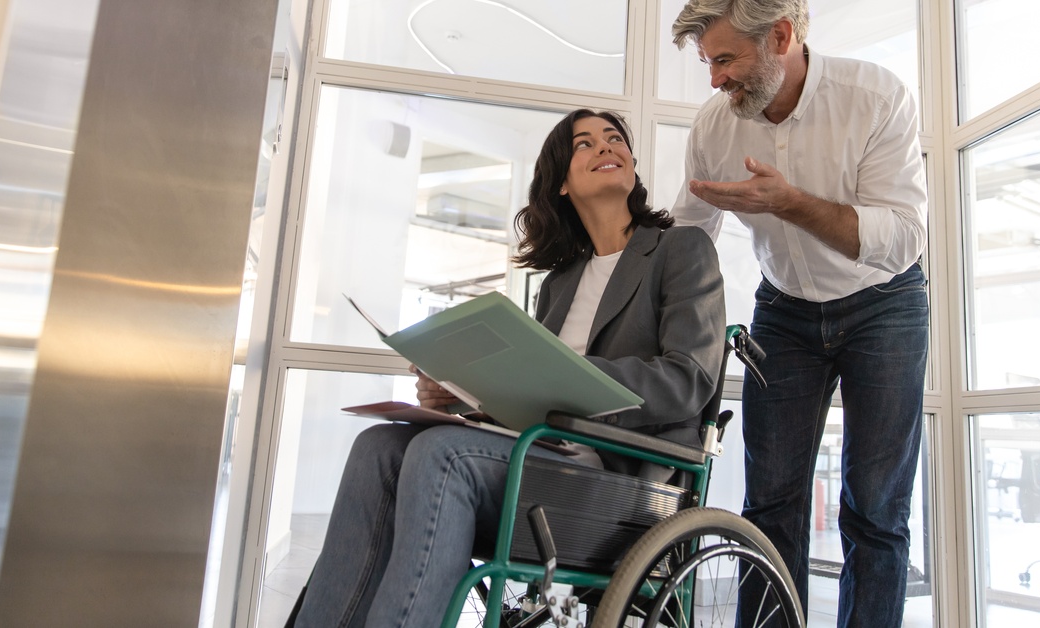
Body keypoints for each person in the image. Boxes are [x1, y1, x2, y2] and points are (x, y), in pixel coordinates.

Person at [289, 109, 726, 627]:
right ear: (561, 183)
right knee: (378, 447)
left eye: (615, 139)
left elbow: (688, 379)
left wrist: (574, 375)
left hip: (621, 485)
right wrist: (461, 396)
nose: (607, 147)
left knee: (441, 455)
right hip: (538, 464)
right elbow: (533, 402)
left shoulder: (680, 250)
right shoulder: (560, 284)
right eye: (585, 143)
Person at [669, 2, 929, 627]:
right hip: (784, 312)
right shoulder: (714, 127)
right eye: (708, 62)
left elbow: (900, 238)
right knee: (771, 502)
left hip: (885, 303)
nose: (714, 80)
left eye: (725, 60)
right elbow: (689, 232)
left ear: (781, 38)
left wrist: (788, 203)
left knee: (875, 508)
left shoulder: (874, 97)